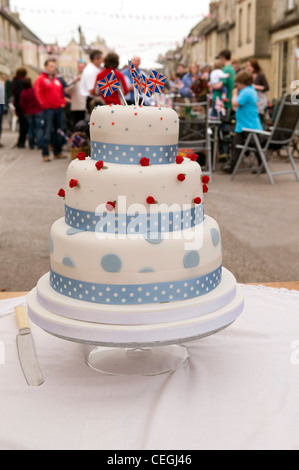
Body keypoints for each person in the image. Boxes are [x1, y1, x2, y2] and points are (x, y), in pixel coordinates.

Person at [222, 70, 263, 174]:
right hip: (244, 124)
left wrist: (234, 94)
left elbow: (235, 103)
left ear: (242, 83)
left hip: (249, 124)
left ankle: (262, 165)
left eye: (238, 83)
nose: (237, 85)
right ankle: (232, 165)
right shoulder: (251, 90)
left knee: (254, 146)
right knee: (237, 145)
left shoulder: (246, 92)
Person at [34, 59, 67, 162]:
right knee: (48, 131)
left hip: (58, 108)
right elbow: (38, 93)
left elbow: (61, 93)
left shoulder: (56, 80)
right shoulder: (41, 79)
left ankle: (57, 152)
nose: (53, 68)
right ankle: (45, 154)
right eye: (51, 66)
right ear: (46, 67)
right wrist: (44, 105)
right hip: (48, 109)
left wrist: (62, 102)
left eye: (54, 66)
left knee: (59, 130)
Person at [19, 78, 43, 150]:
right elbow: (39, 99)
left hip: (28, 112)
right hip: (37, 111)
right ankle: (39, 144)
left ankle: (31, 144)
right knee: (38, 128)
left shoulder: (23, 92)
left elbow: (21, 104)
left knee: (30, 128)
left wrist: (24, 111)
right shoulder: (35, 91)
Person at [65, 59, 87, 131]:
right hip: (75, 106)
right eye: (79, 67)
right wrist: (75, 81)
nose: (80, 69)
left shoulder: (87, 77)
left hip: (84, 106)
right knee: (76, 126)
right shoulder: (73, 77)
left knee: (85, 126)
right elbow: (66, 90)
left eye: (82, 67)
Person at [246, 58, 270, 122]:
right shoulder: (248, 75)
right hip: (252, 98)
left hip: (260, 98)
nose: (248, 68)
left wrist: (255, 86)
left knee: (259, 115)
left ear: (254, 66)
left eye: (250, 66)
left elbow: (266, 87)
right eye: (247, 66)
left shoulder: (260, 75)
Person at [11, 67, 28, 148]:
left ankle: (21, 141)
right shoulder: (20, 82)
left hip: (17, 104)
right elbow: (20, 94)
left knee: (22, 123)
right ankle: (21, 142)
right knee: (23, 124)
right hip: (21, 105)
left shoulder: (14, 81)